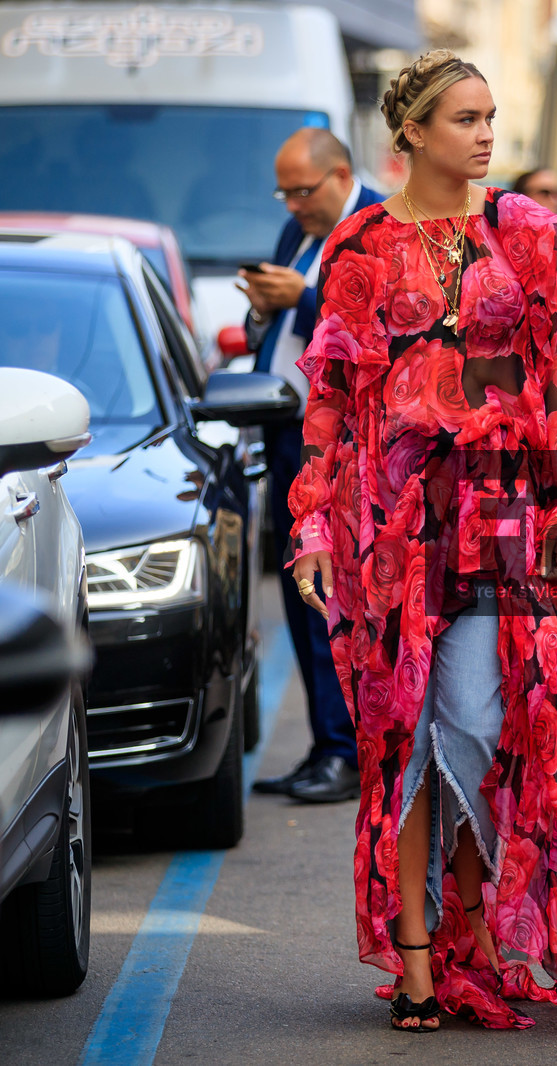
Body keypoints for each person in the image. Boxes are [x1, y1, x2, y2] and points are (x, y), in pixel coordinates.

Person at [285, 49, 557, 1036]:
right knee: (400, 739)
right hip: (388, 522)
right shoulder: (359, 242)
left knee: (485, 726)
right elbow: (329, 397)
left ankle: (471, 928)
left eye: (491, 116)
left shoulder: (521, 232)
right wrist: (312, 525)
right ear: (409, 134)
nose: (486, 135)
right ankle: (417, 959)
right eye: (464, 118)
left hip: (500, 517)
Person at [245, 127, 383, 804]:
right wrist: (263, 312)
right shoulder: (294, 233)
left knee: (330, 598)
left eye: (302, 191)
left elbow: (376, 328)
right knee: (300, 599)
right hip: (286, 436)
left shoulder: (374, 227)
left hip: (340, 449)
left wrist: (298, 296)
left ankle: (346, 750)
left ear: (338, 176)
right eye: (285, 192)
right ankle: (324, 745)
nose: (292, 204)